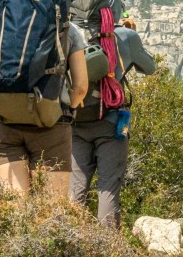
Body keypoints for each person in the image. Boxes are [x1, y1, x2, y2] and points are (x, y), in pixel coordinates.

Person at [0, 21, 88, 196]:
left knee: (17, 207)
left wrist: (5, 106)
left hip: (5, 125)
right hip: (51, 125)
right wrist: (66, 112)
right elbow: (81, 88)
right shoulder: (68, 28)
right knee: (51, 210)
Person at [69, 19, 155, 227]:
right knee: (108, 187)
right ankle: (107, 245)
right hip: (111, 123)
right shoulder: (124, 35)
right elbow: (149, 68)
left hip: (76, 121)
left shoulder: (69, 30)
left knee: (75, 187)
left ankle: (68, 240)